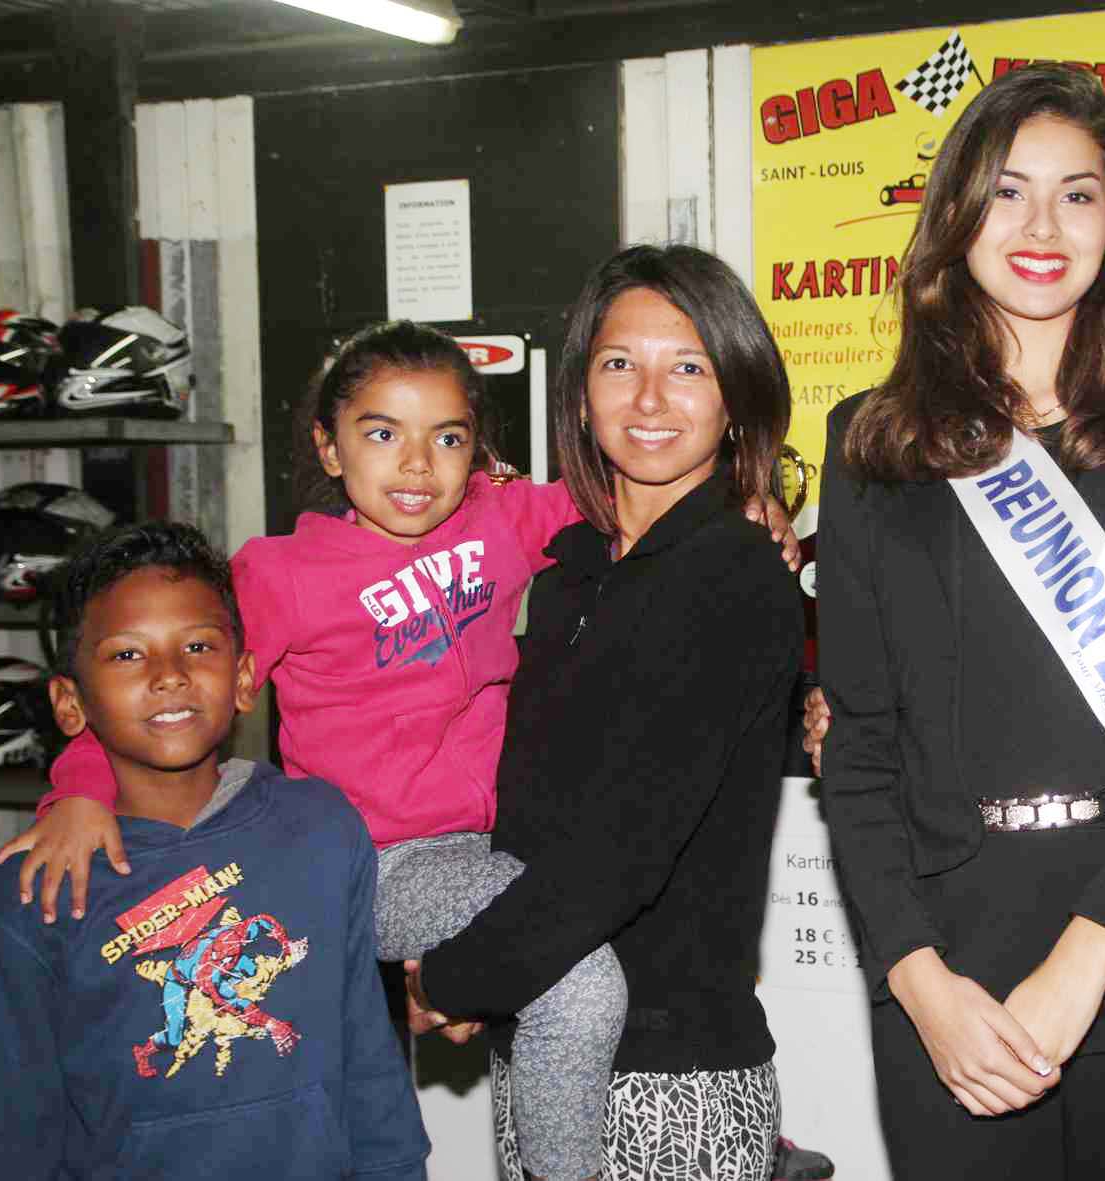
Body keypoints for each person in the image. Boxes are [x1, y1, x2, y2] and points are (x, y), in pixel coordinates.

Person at [0, 322, 793, 1181]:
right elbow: (174, 680)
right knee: (582, 984)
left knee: (545, 976)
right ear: (328, 447)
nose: (416, 465)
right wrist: (75, 790)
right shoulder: (283, 573)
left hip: (498, 849)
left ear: (478, 452)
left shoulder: (501, 519)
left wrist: (756, 502)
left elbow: (646, 492)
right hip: (382, 857)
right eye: (382, 433)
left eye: (446, 438)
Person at [812, 64, 1105, 1179]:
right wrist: (917, 983)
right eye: (1007, 190)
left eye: (1076, 194)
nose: (1039, 225)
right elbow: (861, 746)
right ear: (956, 215)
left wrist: (1085, 957)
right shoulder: (870, 442)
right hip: (948, 972)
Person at [403, 244, 804, 1181]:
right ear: (580, 392)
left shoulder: (737, 577)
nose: (651, 400)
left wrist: (458, 976)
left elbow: (625, 845)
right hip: (541, 1035)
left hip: (672, 1080)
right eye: (621, 365)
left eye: (689, 367)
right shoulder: (570, 566)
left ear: (735, 395)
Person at [0, 521, 429, 1179]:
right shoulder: (28, 891)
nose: (169, 675)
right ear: (71, 704)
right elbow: (8, 1139)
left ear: (244, 676)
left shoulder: (322, 831)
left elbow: (369, 1063)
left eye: (198, 645)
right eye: (128, 654)